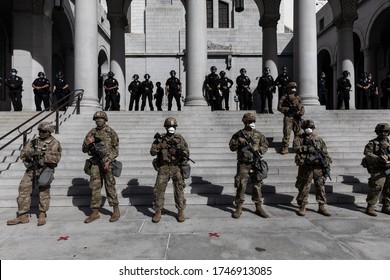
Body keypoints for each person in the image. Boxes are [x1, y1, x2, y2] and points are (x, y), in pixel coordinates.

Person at [7, 122, 62, 226]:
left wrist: (43, 157)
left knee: (44, 192)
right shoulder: (33, 142)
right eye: (39, 131)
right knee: (23, 189)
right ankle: (23, 215)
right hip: (31, 169)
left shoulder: (54, 143)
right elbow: (22, 154)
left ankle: (42, 213)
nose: (41, 133)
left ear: (49, 132)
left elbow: (56, 158)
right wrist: (30, 154)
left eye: (44, 131)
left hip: (45, 169)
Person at [82, 111, 120, 223]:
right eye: (96, 118)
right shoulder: (91, 133)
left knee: (110, 186)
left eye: (101, 118)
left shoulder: (111, 132)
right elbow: (84, 149)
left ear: (105, 120)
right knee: (95, 187)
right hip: (95, 163)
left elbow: (115, 149)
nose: (98, 120)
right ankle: (95, 212)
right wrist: (88, 143)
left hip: (107, 163)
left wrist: (109, 160)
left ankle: (115, 209)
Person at [229, 113, 269, 219]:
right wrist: (238, 142)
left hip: (255, 163)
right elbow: (232, 147)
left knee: (257, 185)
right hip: (243, 164)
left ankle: (258, 207)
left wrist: (259, 149)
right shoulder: (238, 135)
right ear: (245, 122)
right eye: (250, 121)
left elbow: (265, 145)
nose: (252, 123)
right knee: (241, 186)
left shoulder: (259, 134)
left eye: (253, 121)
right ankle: (239, 207)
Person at [150, 117, 190, 223]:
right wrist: (160, 146)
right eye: (169, 126)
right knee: (159, 190)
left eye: (173, 126)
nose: (171, 128)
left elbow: (186, 153)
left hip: (176, 167)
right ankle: (158, 211)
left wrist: (177, 153)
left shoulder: (179, 138)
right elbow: (152, 152)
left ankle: (180, 211)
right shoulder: (161, 138)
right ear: (166, 127)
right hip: (163, 167)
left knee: (179, 189)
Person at [293, 119, 332, 217]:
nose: (309, 129)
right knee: (304, 188)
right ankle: (302, 206)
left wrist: (326, 161)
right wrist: (307, 148)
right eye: (307, 128)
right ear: (303, 128)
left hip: (318, 168)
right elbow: (296, 148)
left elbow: (325, 152)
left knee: (320, 187)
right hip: (306, 168)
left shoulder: (318, 139)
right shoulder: (299, 138)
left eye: (311, 128)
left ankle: (321, 206)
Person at [361, 123, 390, 216]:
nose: (383, 133)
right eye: (381, 131)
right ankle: (370, 206)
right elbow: (367, 153)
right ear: (377, 132)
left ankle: (386, 206)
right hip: (378, 170)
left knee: (389, 189)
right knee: (376, 188)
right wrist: (378, 158)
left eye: (386, 131)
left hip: (389, 169)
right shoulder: (372, 143)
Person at [277, 82, 305, 155]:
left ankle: (296, 147)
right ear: (289, 89)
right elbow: (279, 107)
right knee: (287, 132)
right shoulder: (284, 97)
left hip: (296, 118)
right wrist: (287, 109)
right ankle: (285, 147)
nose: (294, 89)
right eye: (292, 88)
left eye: (294, 88)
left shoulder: (298, 98)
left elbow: (302, 107)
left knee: (298, 133)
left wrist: (301, 113)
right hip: (288, 117)